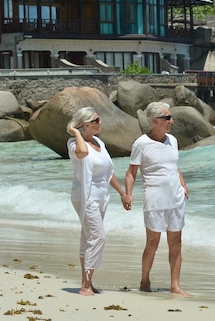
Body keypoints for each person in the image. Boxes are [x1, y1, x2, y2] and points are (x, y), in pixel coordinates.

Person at [124, 101, 190, 296]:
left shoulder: (173, 140)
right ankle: (145, 280)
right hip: (155, 199)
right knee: (152, 244)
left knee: (176, 243)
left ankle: (175, 286)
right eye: (167, 118)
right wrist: (128, 194)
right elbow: (131, 172)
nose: (172, 121)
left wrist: (183, 184)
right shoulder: (141, 143)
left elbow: (174, 166)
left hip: (176, 199)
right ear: (155, 121)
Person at [67, 107, 129, 296]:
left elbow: (108, 173)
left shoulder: (100, 143)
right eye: (96, 120)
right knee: (99, 237)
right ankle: (85, 285)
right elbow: (83, 153)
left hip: (101, 197)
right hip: (85, 196)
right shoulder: (73, 143)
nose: (100, 123)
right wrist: (76, 132)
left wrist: (122, 193)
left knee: (88, 238)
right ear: (85, 124)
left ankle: (88, 282)